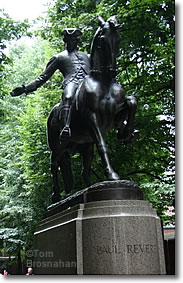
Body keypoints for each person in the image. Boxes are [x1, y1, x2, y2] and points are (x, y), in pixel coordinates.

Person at [11, 28, 90, 140]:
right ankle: (65, 127)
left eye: (74, 39)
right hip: (72, 82)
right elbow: (43, 77)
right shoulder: (59, 58)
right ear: (65, 40)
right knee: (68, 97)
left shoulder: (87, 56)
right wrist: (25, 89)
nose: (72, 41)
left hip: (88, 83)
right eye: (69, 39)